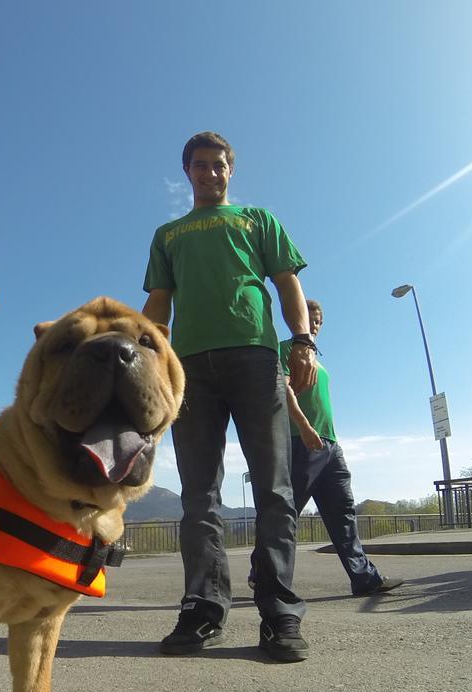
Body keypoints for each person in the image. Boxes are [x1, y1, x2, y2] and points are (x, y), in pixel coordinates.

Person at [142, 131, 317, 663]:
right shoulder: (169, 233)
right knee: (199, 495)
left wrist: (303, 340)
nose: (209, 173)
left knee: (274, 488)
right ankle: (203, 608)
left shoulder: (259, 220)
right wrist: (150, 360)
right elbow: (157, 302)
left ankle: (279, 612)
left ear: (230, 170)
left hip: (256, 359)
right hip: (190, 369)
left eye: (218, 165)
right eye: (200, 165)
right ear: (187, 172)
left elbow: (287, 283)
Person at [250, 300, 403, 597]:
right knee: (283, 513)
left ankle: (364, 579)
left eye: (319, 320)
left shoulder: (321, 363)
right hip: (300, 442)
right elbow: (282, 391)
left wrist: (328, 438)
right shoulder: (286, 350)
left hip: (330, 446)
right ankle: (262, 571)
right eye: (309, 318)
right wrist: (306, 428)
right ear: (298, 320)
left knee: (343, 512)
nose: (315, 323)